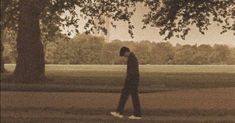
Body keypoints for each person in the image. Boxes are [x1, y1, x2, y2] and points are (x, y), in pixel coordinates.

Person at [110, 46, 142, 120]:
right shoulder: (132, 57)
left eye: (124, 54)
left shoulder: (132, 58)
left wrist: (127, 80)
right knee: (126, 96)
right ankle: (119, 112)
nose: (124, 56)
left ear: (126, 52)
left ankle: (137, 114)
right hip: (133, 80)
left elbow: (132, 72)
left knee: (132, 97)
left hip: (131, 80)